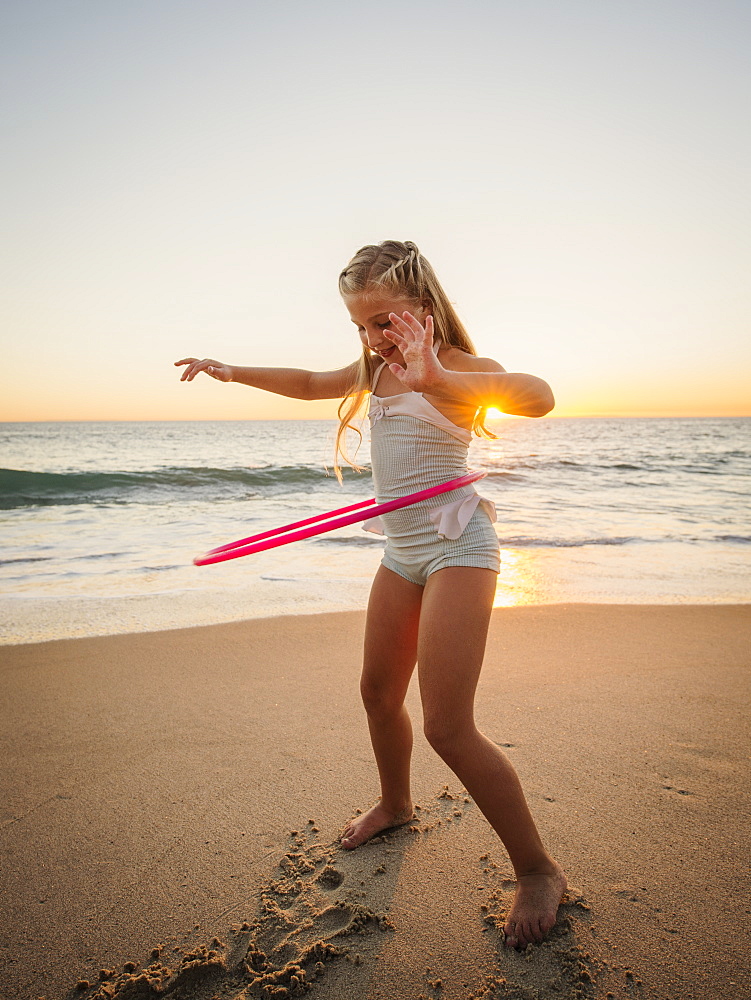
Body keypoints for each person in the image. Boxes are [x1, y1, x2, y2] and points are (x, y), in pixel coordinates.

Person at [175, 240, 567, 949]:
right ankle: (394, 802)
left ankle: (537, 869)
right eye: (361, 326)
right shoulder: (372, 368)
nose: (373, 339)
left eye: (385, 322)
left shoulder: (456, 369)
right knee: (376, 694)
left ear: (423, 307)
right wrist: (230, 372)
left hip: (458, 547)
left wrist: (432, 378)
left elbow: (536, 397)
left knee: (447, 725)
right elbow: (305, 382)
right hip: (401, 552)